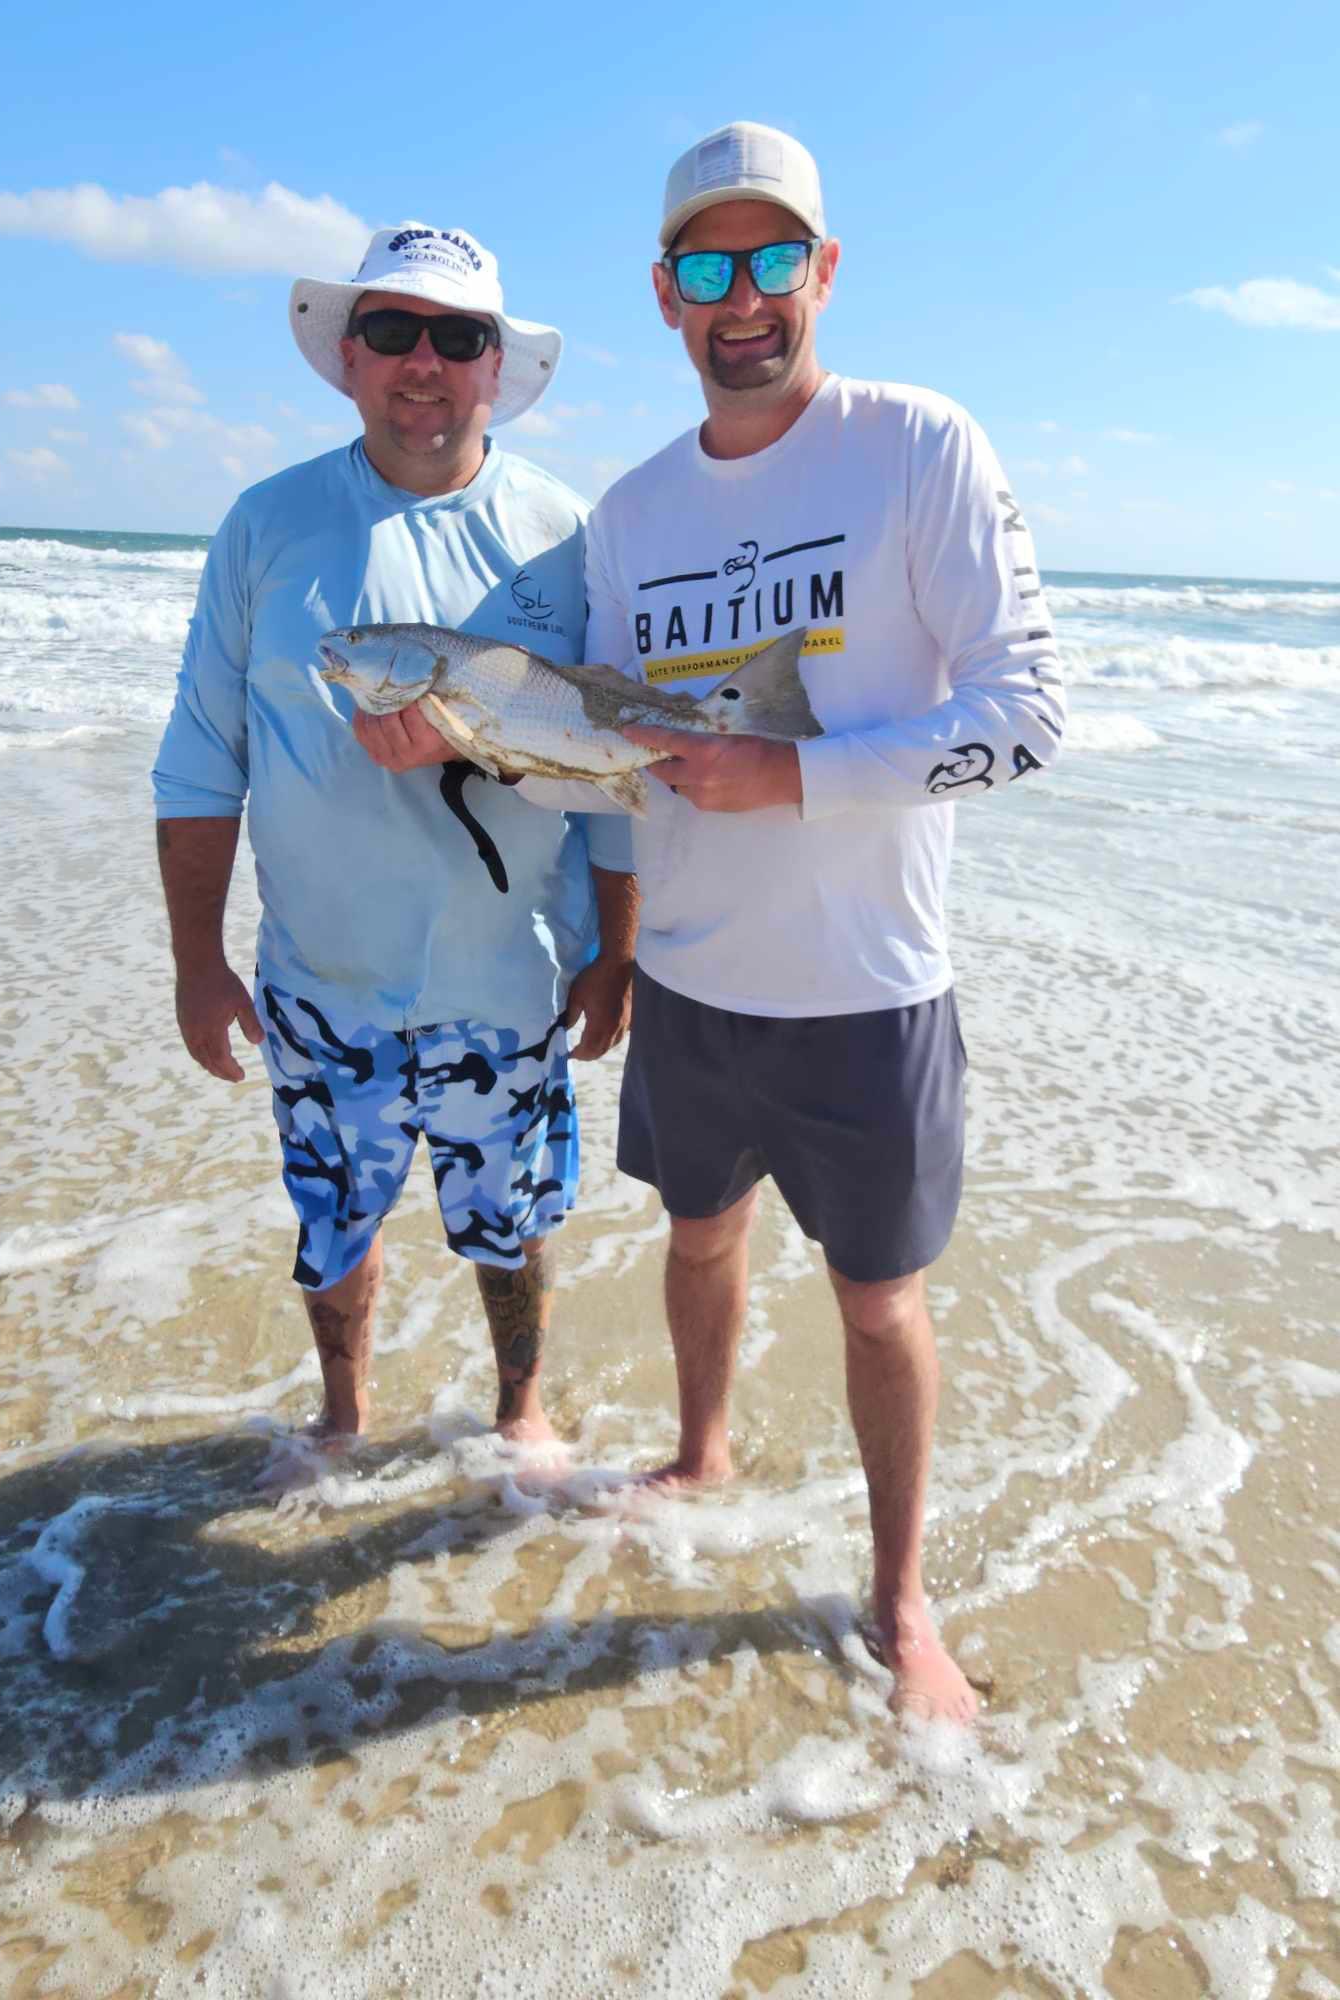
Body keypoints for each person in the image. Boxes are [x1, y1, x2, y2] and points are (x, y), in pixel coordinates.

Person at [587, 123, 1067, 1719]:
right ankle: (702, 1451)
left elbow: (1028, 716)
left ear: (825, 270)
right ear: (666, 296)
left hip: (870, 989)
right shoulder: (630, 512)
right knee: (698, 1233)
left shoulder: (915, 445)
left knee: (880, 1301)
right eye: (710, 269)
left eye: (773, 260)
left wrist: (793, 775)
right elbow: (609, 748)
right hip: (692, 981)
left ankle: (901, 1600)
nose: (745, 299)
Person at [152, 222, 637, 1449]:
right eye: (392, 330)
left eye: (457, 336)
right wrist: (196, 962)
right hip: (322, 984)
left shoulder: (566, 536)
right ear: (351, 356)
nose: (423, 360)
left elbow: (614, 764)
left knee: (514, 1219)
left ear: (493, 367)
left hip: (511, 976)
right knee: (332, 1220)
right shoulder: (266, 526)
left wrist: (617, 948)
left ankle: (521, 1413)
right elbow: (204, 755)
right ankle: (342, 1418)